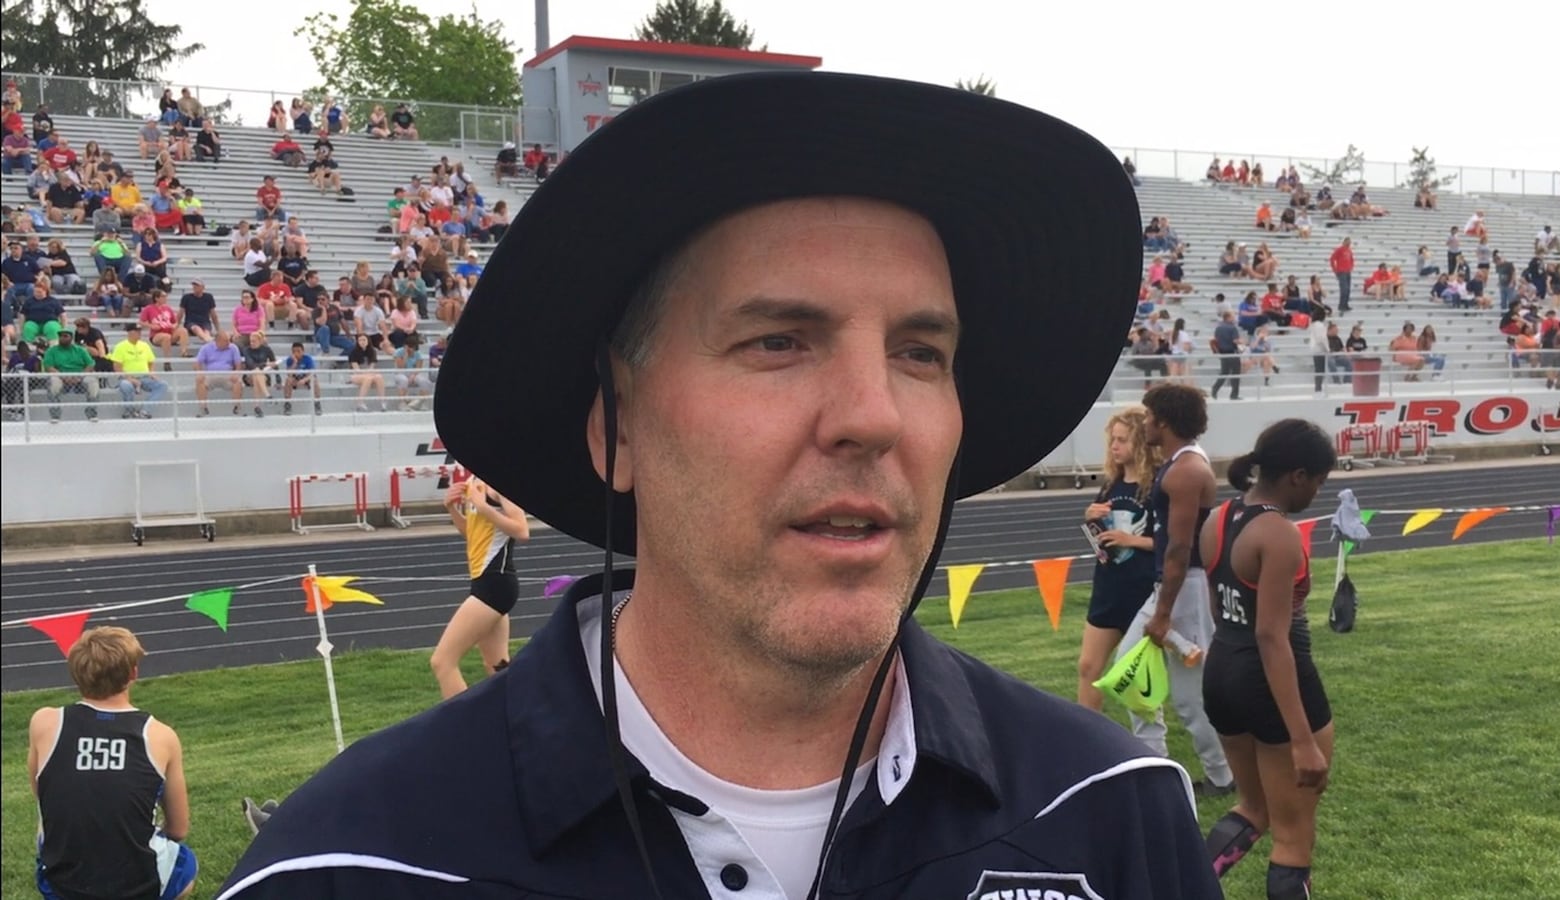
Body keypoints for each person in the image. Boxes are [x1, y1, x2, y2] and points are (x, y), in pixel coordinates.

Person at [221, 72, 1220, 900]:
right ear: (618, 428)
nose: (871, 415)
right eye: (778, 340)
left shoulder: (1113, 815)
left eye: (920, 352)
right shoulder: (347, 868)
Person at [1199, 420, 1337, 900]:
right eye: (1319, 482)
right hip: (1274, 681)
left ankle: (1179, 885)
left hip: (1222, 674)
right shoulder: (1278, 533)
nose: (1317, 493)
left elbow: (1222, 611)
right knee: (1293, 838)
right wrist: (1302, 740)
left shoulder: (1218, 519)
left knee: (1252, 808)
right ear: (1298, 475)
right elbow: (1271, 636)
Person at [1115, 382, 1234, 796]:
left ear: (1163, 421)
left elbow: (1180, 548)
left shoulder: (1186, 470)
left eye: (1149, 416)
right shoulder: (1182, 462)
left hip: (1184, 589)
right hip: (1172, 587)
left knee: (1190, 695)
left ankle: (1222, 775)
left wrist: (1164, 613)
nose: (1144, 423)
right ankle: (1156, 766)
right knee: (1128, 668)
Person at [29, 626, 199, 900]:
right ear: (133, 673)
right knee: (186, 867)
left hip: (61, 883)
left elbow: (41, 792)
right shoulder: (160, 735)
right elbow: (179, 828)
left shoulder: (45, 723)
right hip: (139, 886)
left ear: (75, 672)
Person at [1076, 406, 1160, 711]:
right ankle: (1089, 736)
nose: (1114, 446)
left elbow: (1175, 542)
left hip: (1144, 591)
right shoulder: (1111, 484)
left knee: (1138, 676)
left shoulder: (1158, 485)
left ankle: (1148, 742)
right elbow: (1100, 541)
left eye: (1122, 440)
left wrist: (1132, 540)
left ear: (1139, 443)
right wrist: (1090, 519)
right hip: (1109, 588)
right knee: (1088, 667)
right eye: (1113, 439)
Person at [428, 475, 531, 699]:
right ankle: (517, 719)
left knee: (442, 662)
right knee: (497, 666)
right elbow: (473, 534)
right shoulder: (472, 483)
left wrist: (484, 507)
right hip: (485, 583)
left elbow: (522, 530)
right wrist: (452, 509)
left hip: (496, 584)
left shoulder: (498, 486)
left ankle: (463, 729)